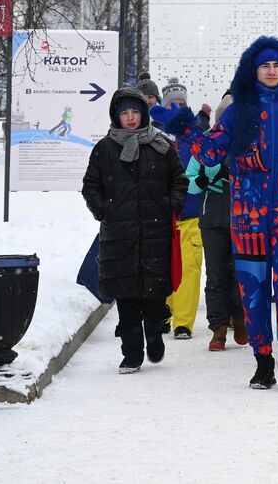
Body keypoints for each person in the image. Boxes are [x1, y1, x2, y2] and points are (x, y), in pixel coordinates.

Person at [161, 36, 278, 393]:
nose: (271, 72)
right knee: (253, 291)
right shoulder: (240, 110)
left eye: (276, 66)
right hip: (248, 217)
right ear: (253, 71)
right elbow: (209, 154)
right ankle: (263, 362)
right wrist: (184, 127)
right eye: (264, 66)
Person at [81, 87, 188, 374]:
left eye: (135, 112)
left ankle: (154, 335)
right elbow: (90, 186)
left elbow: (180, 180)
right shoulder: (104, 149)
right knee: (126, 299)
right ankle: (131, 353)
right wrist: (105, 209)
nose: (130, 118)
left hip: (156, 232)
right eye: (124, 113)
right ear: (116, 116)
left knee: (154, 296)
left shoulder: (162, 146)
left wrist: (170, 205)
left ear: (143, 113)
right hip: (119, 236)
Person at [191, 92, 247, 351]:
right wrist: (201, 180)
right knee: (215, 274)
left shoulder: (249, 143)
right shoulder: (206, 142)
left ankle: (240, 318)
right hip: (212, 216)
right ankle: (218, 328)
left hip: (243, 216)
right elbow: (190, 179)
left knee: (240, 273)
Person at [153, 78, 206, 341]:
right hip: (160, 216)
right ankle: (162, 314)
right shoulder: (152, 137)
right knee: (159, 268)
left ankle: (183, 322)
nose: (176, 107)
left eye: (181, 103)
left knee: (189, 269)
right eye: (171, 103)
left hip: (190, 214)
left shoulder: (194, 136)